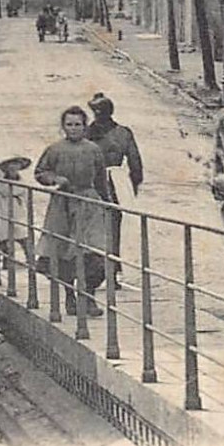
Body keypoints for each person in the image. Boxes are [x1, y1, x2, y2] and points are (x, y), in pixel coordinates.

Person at [33, 106, 110, 316]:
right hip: (63, 205)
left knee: (93, 253)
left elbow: (101, 180)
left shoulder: (93, 149)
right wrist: (55, 179)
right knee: (64, 254)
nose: (73, 129)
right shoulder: (55, 149)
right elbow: (40, 172)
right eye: (69, 124)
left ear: (85, 126)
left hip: (89, 204)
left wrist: (108, 205)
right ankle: (69, 297)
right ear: (63, 126)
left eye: (78, 124)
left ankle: (89, 297)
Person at [86, 93, 143, 281]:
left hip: (95, 181)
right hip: (115, 183)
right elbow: (135, 164)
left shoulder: (87, 133)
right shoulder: (123, 133)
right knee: (113, 225)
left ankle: (103, 268)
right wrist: (132, 186)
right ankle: (111, 269)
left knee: (95, 225)